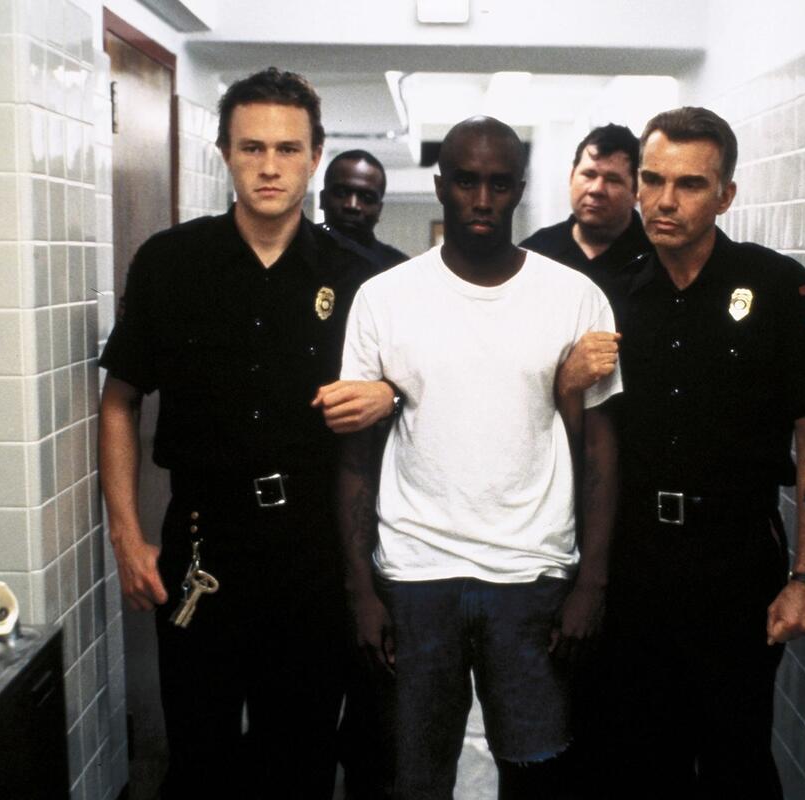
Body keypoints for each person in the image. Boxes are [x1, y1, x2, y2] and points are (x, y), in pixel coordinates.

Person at [97, 67, 395, 798]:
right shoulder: (171, 263)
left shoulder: (362, 278)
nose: (269, 166)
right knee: (197, 757)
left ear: (315, 157)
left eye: (288, 149)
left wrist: (387, 394)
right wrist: (127, 538)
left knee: (298, 761)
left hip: (315, 550)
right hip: (206, 542)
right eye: (252, 147)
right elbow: (119, 400)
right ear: (224, 152)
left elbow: (420, 390)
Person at [335, 116, 621, 800]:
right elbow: (355, 457)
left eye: (499, 183)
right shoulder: (385, 298)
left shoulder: (575, 297)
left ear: (520, 188)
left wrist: (591, 581)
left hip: (532, 576)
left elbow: (600, 447)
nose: (483, 199)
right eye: (466, 182)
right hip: (415, 575)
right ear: (441, 186)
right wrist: (360, 590)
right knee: (416, 778)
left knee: (538, 770)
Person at [568, 106, 805, 798]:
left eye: (690, 184)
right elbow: (584, 435)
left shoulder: (773, 285)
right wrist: (567, 380)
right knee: (637, 761)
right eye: (653, 180)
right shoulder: (610, 295)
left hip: (736, 561)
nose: (665, 201)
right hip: (635, 562)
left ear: (725, 195)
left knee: (736, 758)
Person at [519, 123, 652, 312]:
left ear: (636, 190)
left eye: (613, 180)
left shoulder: (658, 258)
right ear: (571, 177)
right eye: (589, 175)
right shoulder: (536, 253)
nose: (596, 189)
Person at [320, 149, 410, 269]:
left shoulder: (398, 268)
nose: (352, 206)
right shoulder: (296, 249)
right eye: (341, 193)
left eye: (367, 198)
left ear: (379, 210)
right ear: (323, 199)